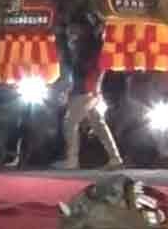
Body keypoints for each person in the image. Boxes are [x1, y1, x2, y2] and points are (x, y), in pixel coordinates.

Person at [53, 17, 124, 170]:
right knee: (98, 125)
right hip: (90, 90)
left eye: (74, 29)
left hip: (86, 90)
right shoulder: (89, 45)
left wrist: (63, 40)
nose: (72, 32)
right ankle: (115, 158)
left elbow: (76, 66)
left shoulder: (88, 46)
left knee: (70, 122)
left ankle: (72, 160)